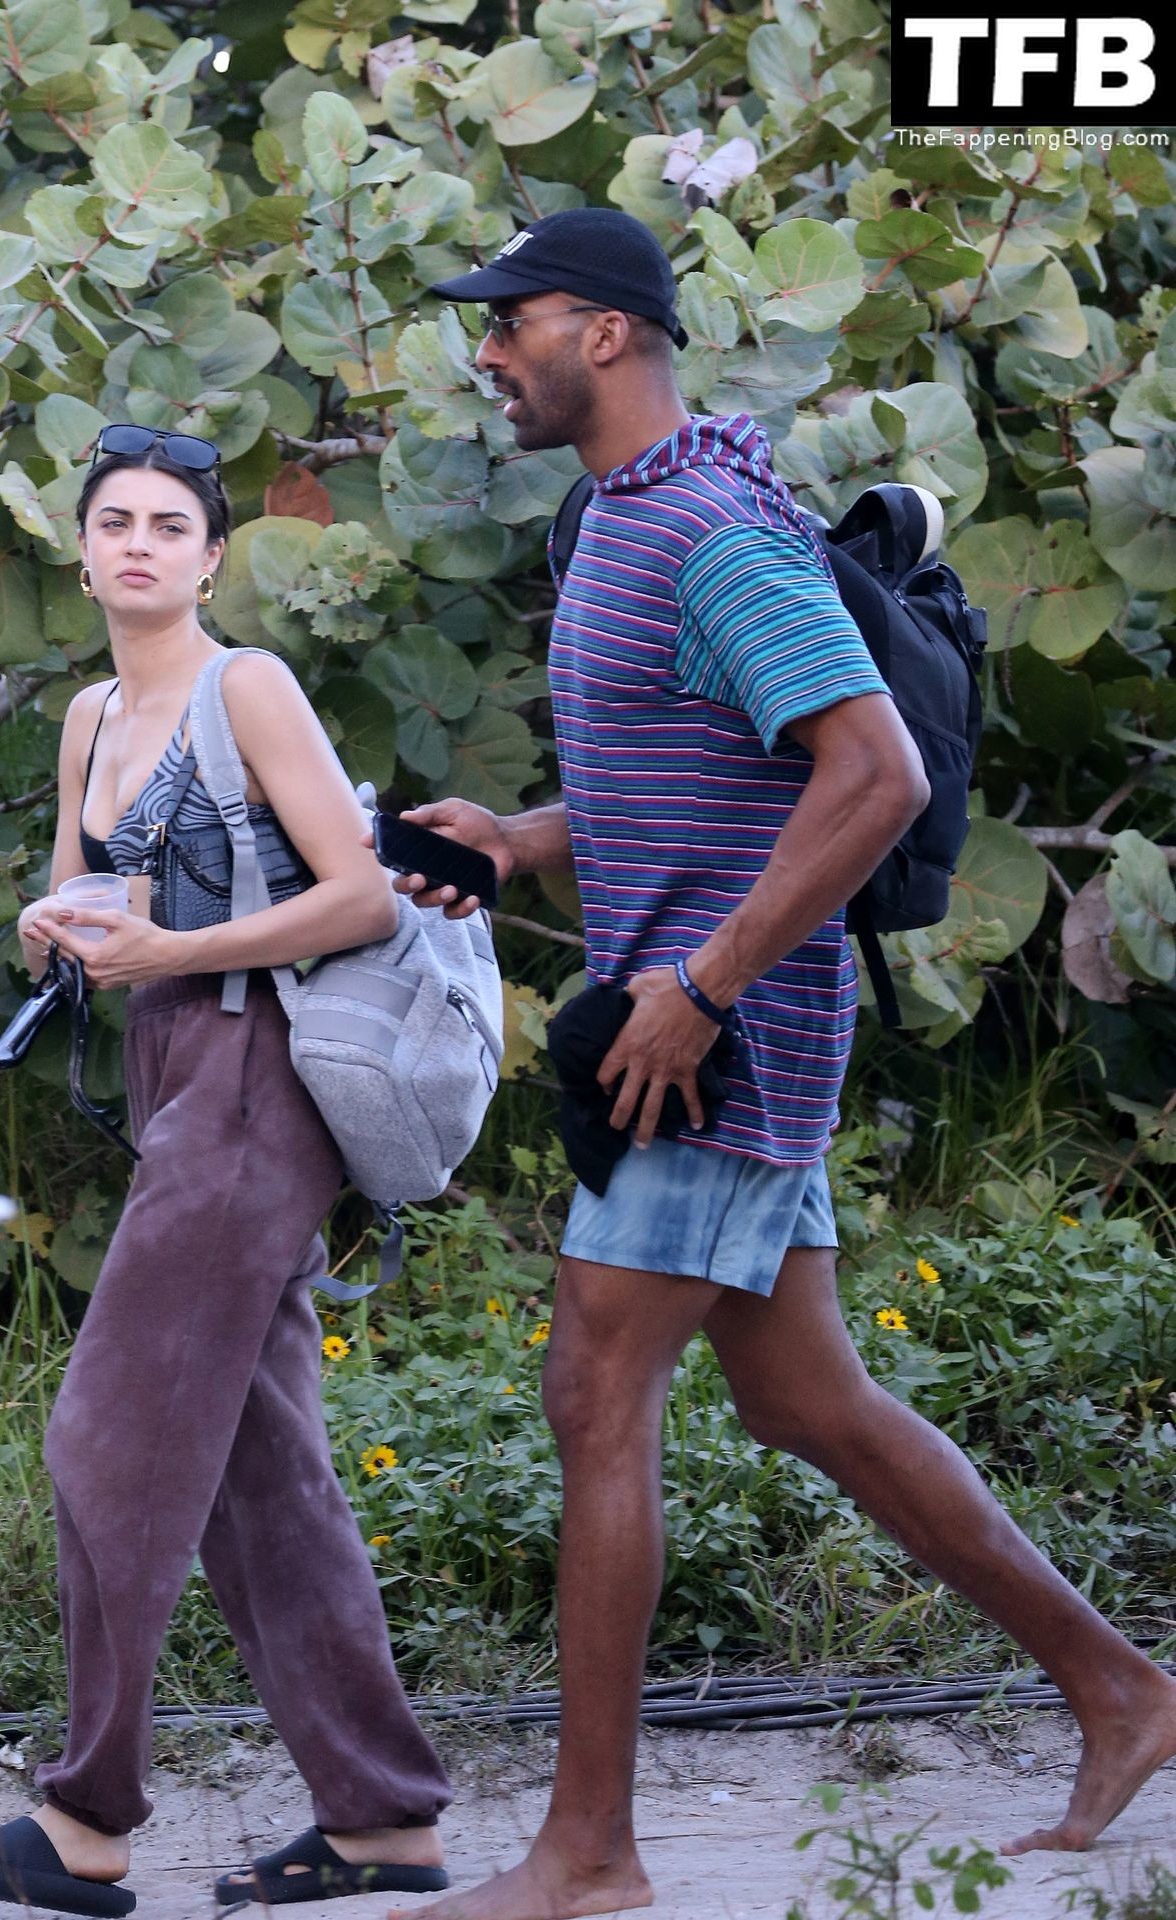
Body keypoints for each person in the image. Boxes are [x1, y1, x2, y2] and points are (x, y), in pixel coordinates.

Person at [373, 208, 1176, 1920]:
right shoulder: (623, 515)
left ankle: (589, 1855)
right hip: (702, 1017)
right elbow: (708, 771)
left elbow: (871, 773)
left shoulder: (716, 532)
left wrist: (703, 988)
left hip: (718, 1040)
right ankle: (1123, 1691)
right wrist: (523, 837)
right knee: (803, 1399)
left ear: (604, 332)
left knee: (595, 1387)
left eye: (511, 322)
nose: (488, 353)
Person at [0, 424, 452, 1916]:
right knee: (260, 1469)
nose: (141, 545)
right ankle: (382, 1819)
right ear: (81, 552)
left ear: (212, 559)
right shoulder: (89, 714)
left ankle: (89, 1819)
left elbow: (360, 895)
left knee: (105, 1436)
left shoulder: (250, 689)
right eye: (116, 521)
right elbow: (83, 899)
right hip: (170, 1066)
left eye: (171, 525)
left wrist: (174, 950)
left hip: (256, 1072)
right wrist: (57, 929)